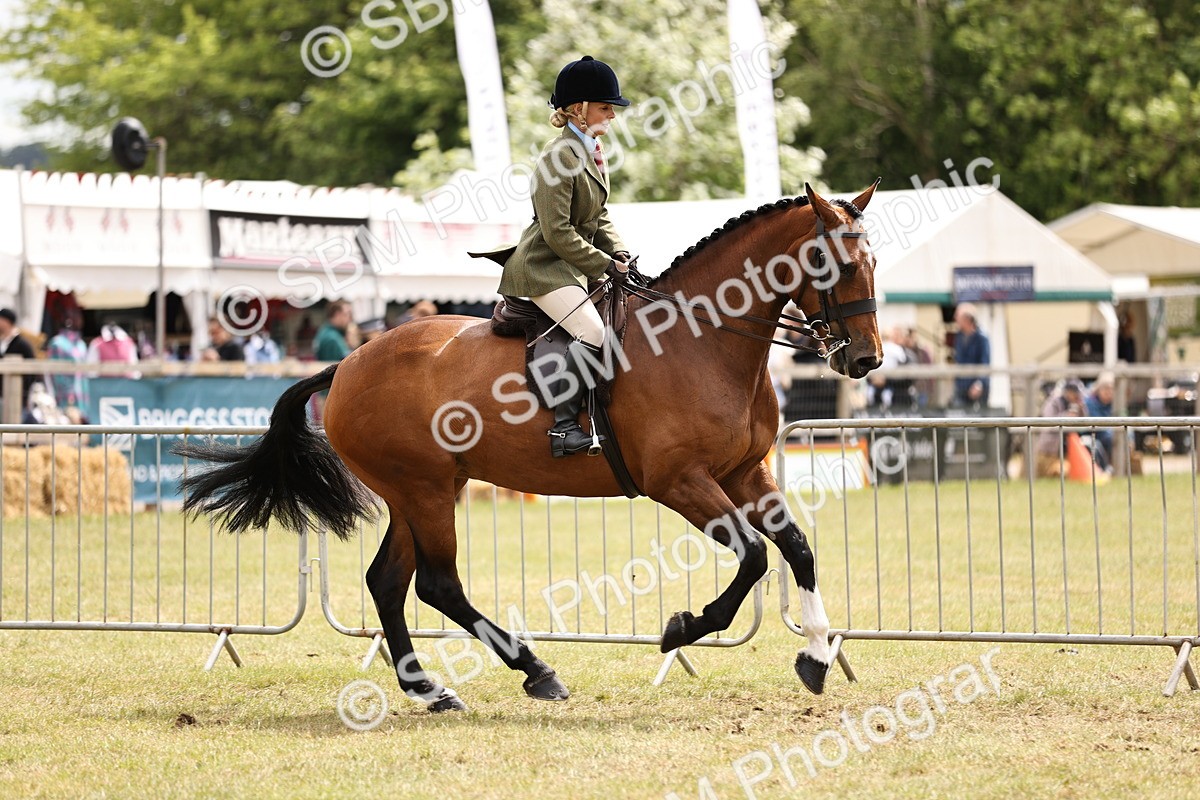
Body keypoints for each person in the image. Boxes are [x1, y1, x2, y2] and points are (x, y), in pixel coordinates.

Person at [475, 55, 633, 458]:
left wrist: (618, 250)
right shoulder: (557, 156)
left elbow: (598, 215)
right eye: (605, 107)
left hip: (573, 266)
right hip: (543, 267)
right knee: (593, 333)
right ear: (579, 109)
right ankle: (563, 429)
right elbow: (557, 231)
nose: (612, 115)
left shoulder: (592, 150)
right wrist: (603, 264)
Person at [1034, 379, 1086, 477]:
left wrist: (1081, 409)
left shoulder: (1078, 405)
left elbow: (1085, 423)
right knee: (1060, 472)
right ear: (1068, 392)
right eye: (1075, 394)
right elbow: (1048, 423)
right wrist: (1067, 416)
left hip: (1069, 449)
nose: (1077, 397)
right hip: (1049, 452)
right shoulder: (1053, 402)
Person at [44, 310, 89, 415]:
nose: (80, 320)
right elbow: (56, 374)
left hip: (82, 398)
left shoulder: (81, 343)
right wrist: (69, 395)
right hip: (64, 399)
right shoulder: (57, 343)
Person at [953, 303, 991, 407]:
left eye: (958, 317)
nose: (955, 319)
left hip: (977, 388)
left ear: (967, 319)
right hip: (961, 387)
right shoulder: (959, 336)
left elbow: (985, 363)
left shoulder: (982, 338)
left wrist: (979, 383)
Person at [0, 307, 37, 412]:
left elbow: (32, 370)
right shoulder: (3, 342)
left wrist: (23, 391)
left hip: (17, 396)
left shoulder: (22, 344)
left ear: (6, 321)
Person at [1084, 373, 1116, 472]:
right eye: (1106, 388)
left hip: (1108, 433)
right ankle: (1107, 468)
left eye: (1111, 389)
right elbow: (1097, 423)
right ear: (1098, 389)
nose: (1108, 392)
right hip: (1093, 434)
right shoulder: (1090, 402)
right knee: (1109, 438)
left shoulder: (1115, 404)